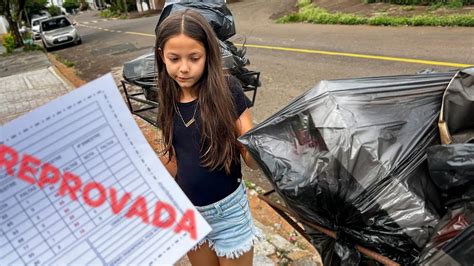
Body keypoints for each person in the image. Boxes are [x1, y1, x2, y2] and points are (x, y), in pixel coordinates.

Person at [154, 9, 263, 266]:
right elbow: (175, 158)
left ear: (208, 54)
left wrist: (264, 146)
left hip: (229, 214)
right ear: (162, 57)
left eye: (194, 58)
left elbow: (251, 158)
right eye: (174, 58)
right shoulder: (167, 99)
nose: (183, 68)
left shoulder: (228, 90)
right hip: (189, 213)